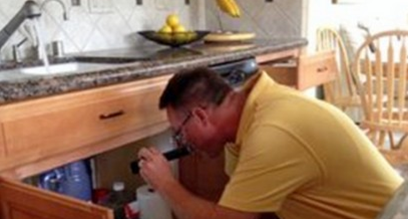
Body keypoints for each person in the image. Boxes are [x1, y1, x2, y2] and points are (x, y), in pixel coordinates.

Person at [137, 67, 403, 219]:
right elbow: (250, 210)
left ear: (200, 116)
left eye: (180, 133)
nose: (183, 143)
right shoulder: (242, 127)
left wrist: (165, 183)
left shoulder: (271, 132)